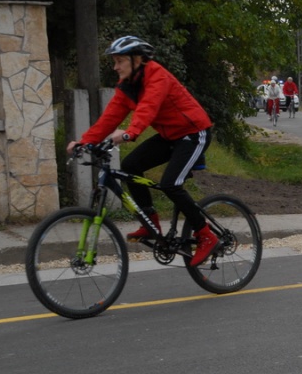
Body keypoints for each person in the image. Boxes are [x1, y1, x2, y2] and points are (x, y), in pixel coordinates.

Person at [66, 36, 218, 266]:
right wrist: (84, 142)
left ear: (137, 60)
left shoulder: (157, 76)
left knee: (170, 184)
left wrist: (130, 132)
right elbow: (110, 117)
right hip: (170, 136)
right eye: (114, 62)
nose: (115, 67)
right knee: (130, 166)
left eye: (119, 61)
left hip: (194, 133)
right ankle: (150, 224)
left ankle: (206, 235)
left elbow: (148, 107)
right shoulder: (128, 86)